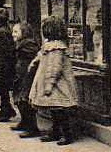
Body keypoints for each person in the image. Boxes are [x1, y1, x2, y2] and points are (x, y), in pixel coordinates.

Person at [29, 16, 78, 146]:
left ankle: (67, 135)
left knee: (60, 110)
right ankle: (56, 132)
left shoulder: (56, 48)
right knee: (54, 110)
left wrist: (49, 84)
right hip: (51, 83)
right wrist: (33, 63)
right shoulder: (50, 46)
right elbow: (41, 56)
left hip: (58, 85)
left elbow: (54, 68)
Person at [10, 22, 41, 138]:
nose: (13, 34)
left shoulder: (29, 44)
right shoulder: (21, 44)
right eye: (13, 31)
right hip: (20, 76)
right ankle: (24, 122)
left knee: (25, 101)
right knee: (18, 99)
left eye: (16, 32)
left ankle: (32, 127)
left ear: (25, 33)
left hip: (27, 77)